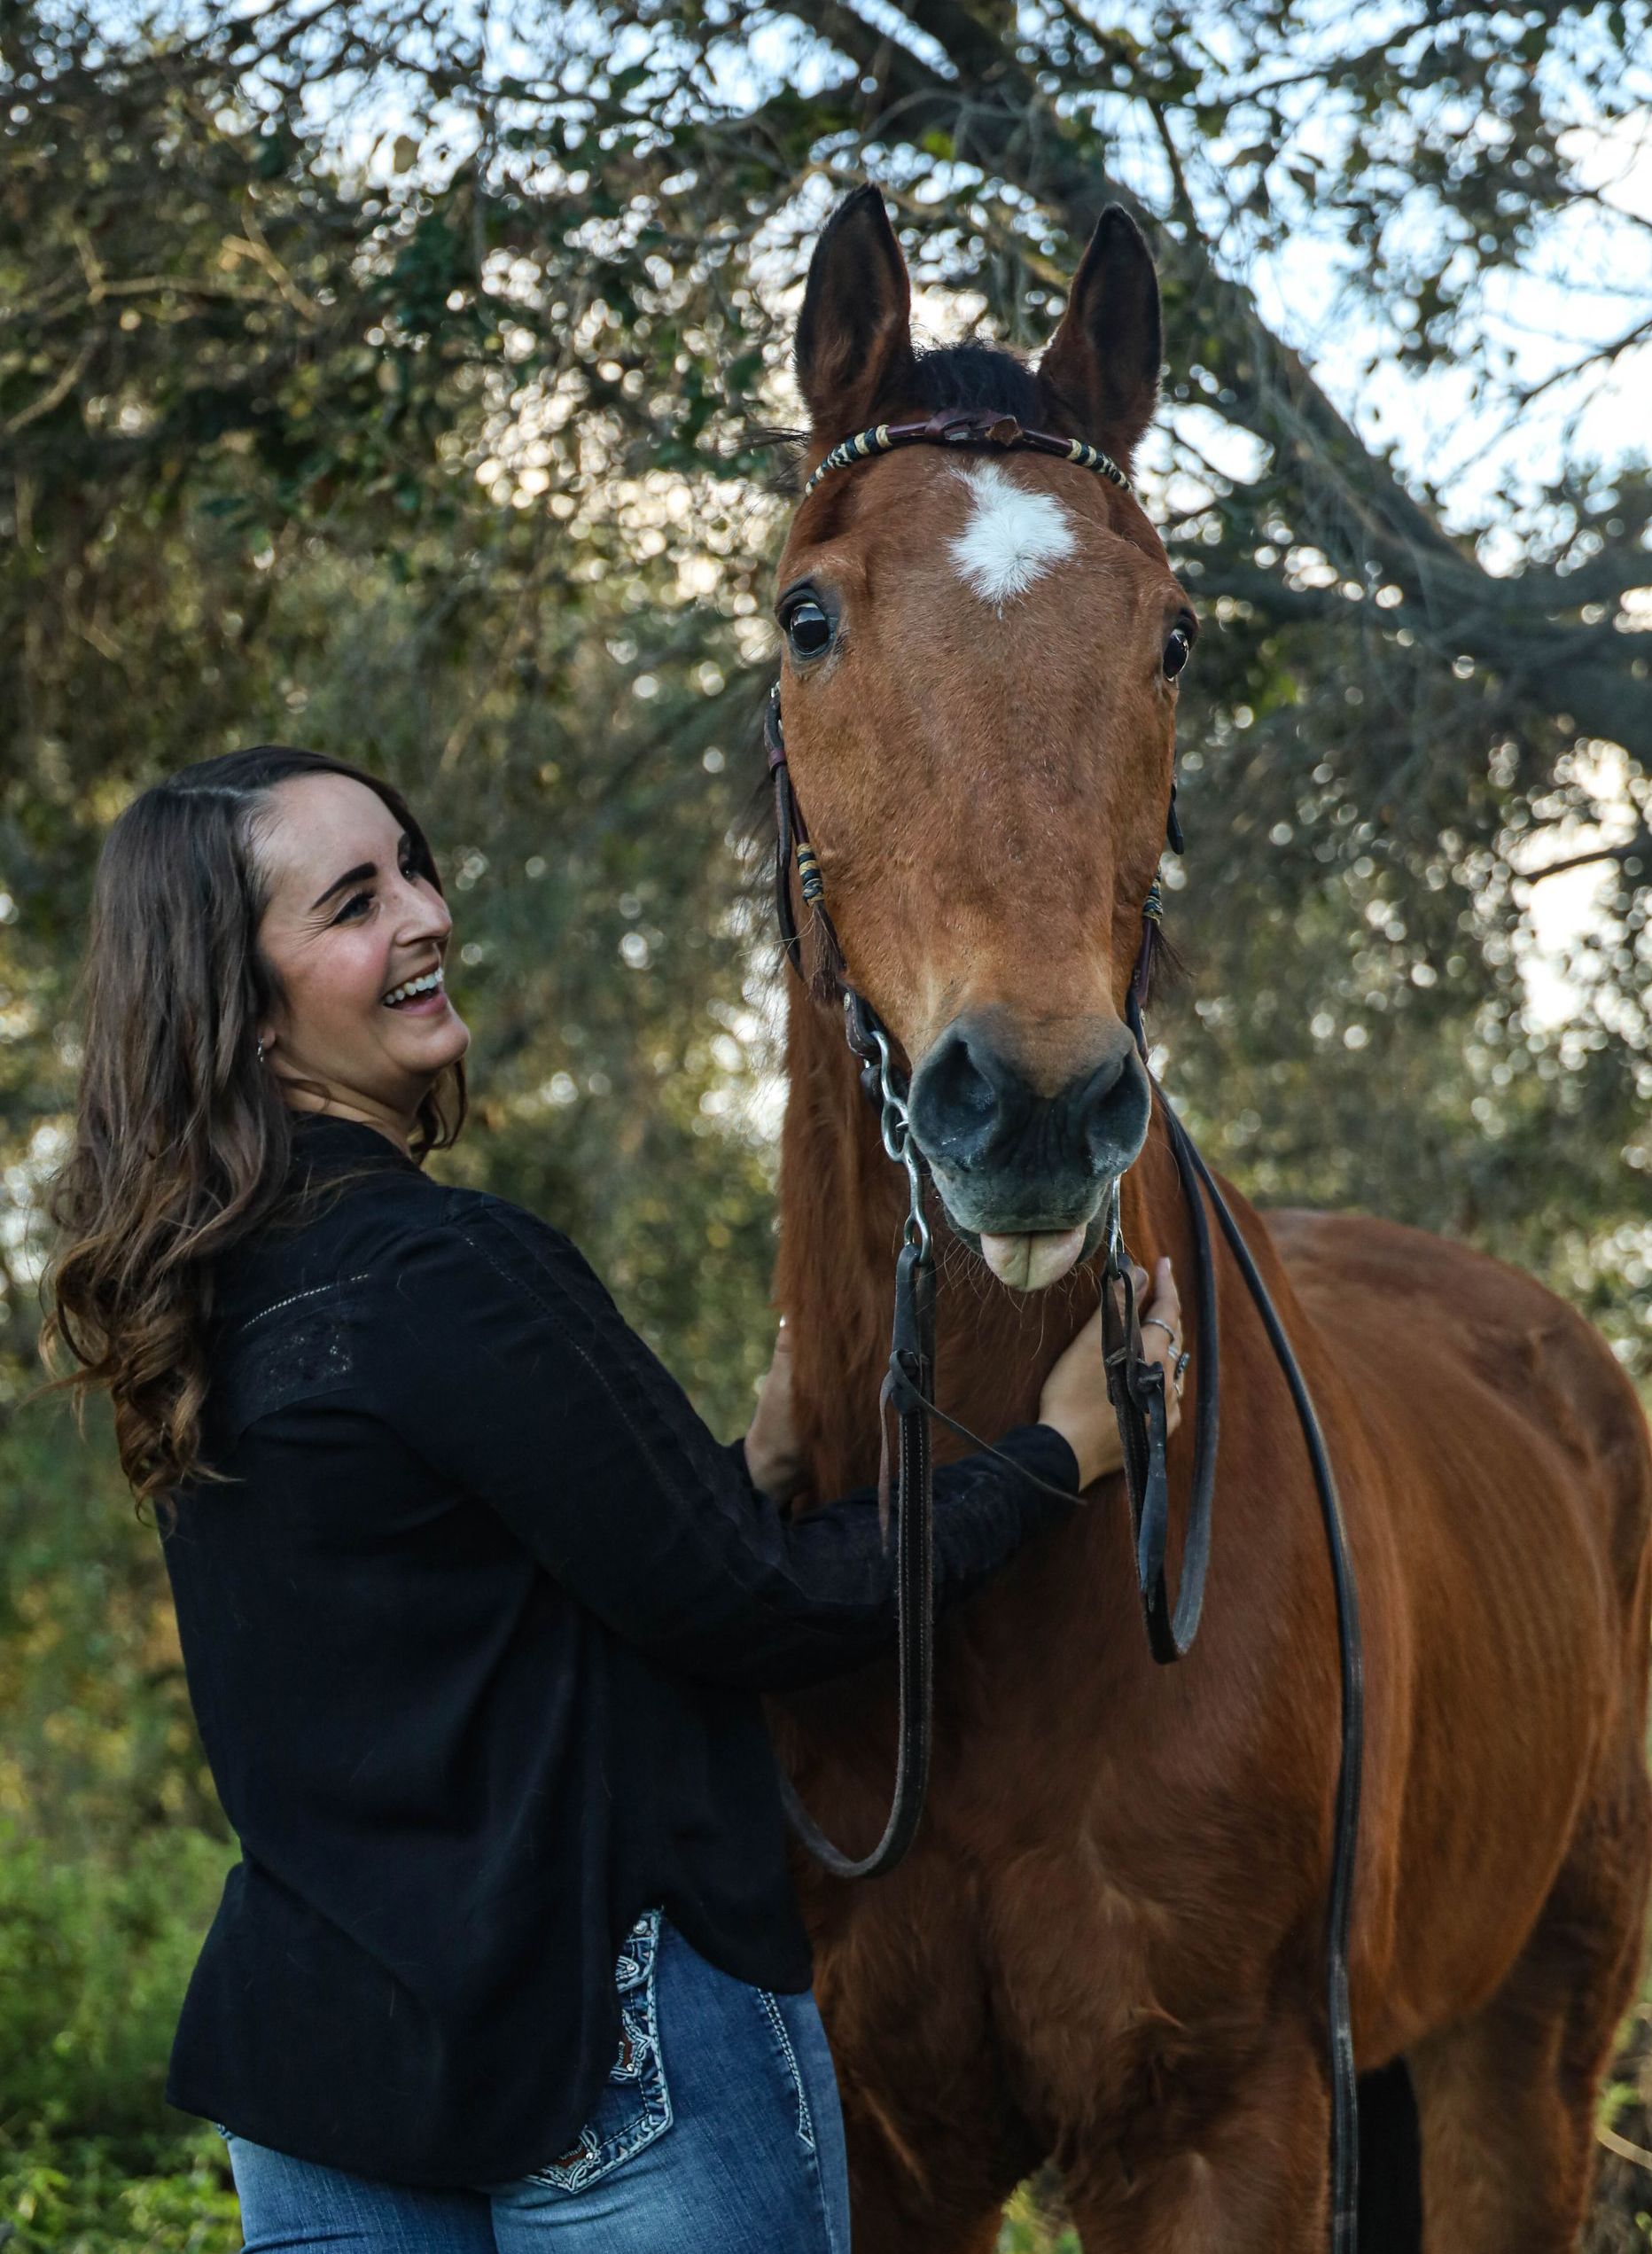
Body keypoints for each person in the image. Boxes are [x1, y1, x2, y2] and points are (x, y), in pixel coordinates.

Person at [38, 745, 1186, 2254]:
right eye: (354, 902)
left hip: (324, 2079)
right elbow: (760, 1612)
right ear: (243, 1011)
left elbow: (453, 1619)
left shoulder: (195, 1302)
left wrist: (736, 1478)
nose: (429, 914)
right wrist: (1062, 1452)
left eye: (415, 865)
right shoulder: (450, 1269)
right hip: (604, 2055)